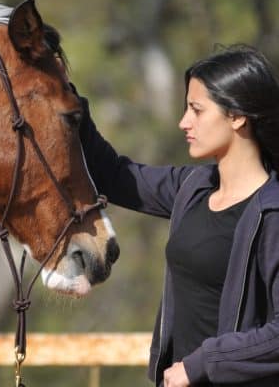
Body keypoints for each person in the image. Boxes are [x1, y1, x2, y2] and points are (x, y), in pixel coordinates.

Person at [77, 45, 279, 386]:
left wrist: (200, 364)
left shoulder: (272, 213)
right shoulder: (193, 187)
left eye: (196, 110)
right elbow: (113, 175)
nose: (184, 122)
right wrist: (66, 98)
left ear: (237, 116)